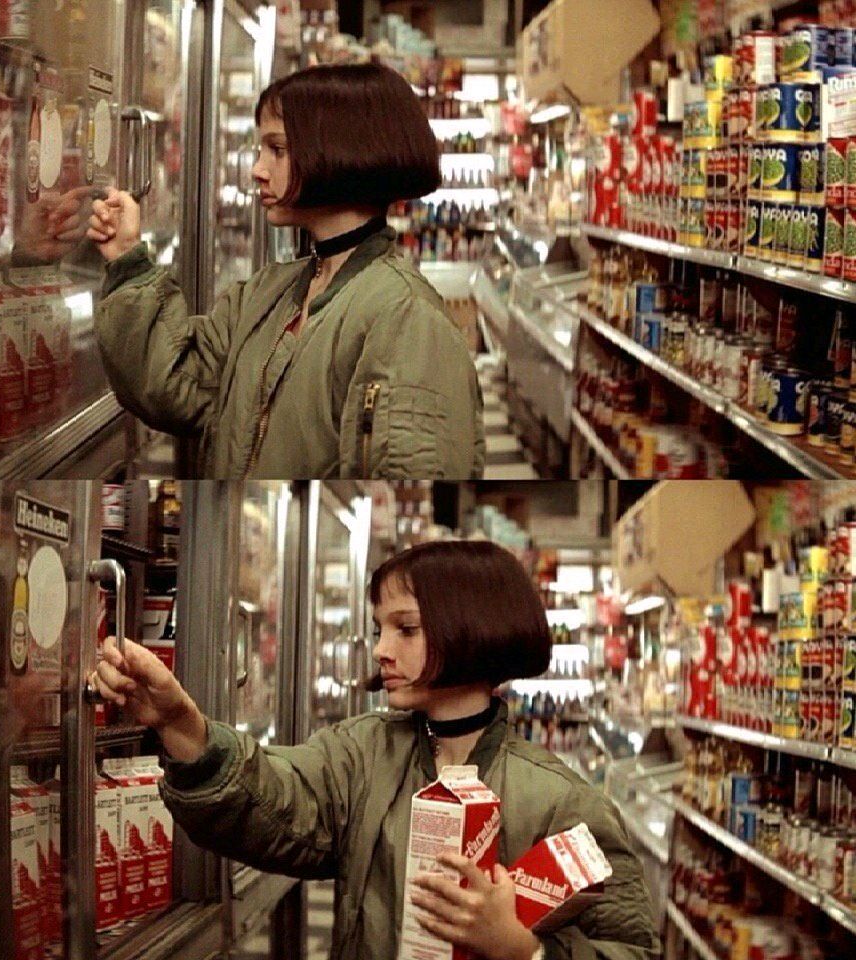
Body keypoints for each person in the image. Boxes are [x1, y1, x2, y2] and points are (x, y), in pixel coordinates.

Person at [93, 540, 659, 960]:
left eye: (406, 629)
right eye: (378, 629)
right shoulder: (362, 753)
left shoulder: (564, 803)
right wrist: (182, 723)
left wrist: (521, 950)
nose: (382, 650)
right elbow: (274, 800)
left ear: (473, 628)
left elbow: (629, 948)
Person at [87, 63, 484, 479]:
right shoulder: (266, 292)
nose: (257, 170)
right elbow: (170, 385)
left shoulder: (408, 319)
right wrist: (127, 257)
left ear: (341, 152)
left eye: (277, 150)